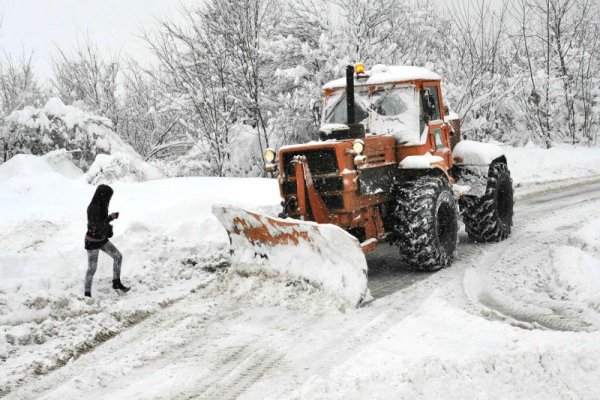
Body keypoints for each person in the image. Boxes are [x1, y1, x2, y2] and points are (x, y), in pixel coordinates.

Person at [84, 184, 130, 297]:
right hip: (92, 242)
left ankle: (116, 283)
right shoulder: (94, 208)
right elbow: (97, 226)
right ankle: (87, 293)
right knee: (92, 269)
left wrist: (110, 217)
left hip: (101, 240)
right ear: (102, 195)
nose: (109, 199)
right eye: (108, 196)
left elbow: (101, 223)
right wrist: (110, 218)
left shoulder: (101, 206)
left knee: (118, 256)